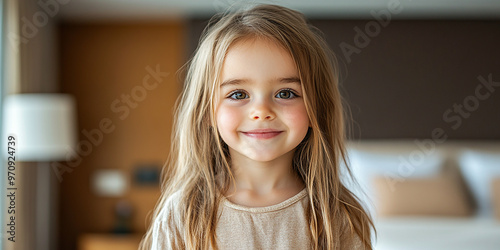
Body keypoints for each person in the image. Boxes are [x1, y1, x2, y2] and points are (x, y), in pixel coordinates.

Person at [139, 4, 375, 250]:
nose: (261, 111)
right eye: (238, 94)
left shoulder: (338, 215)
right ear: (206, 110)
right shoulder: (184, 213)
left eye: (286, 93)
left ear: (317, 107)